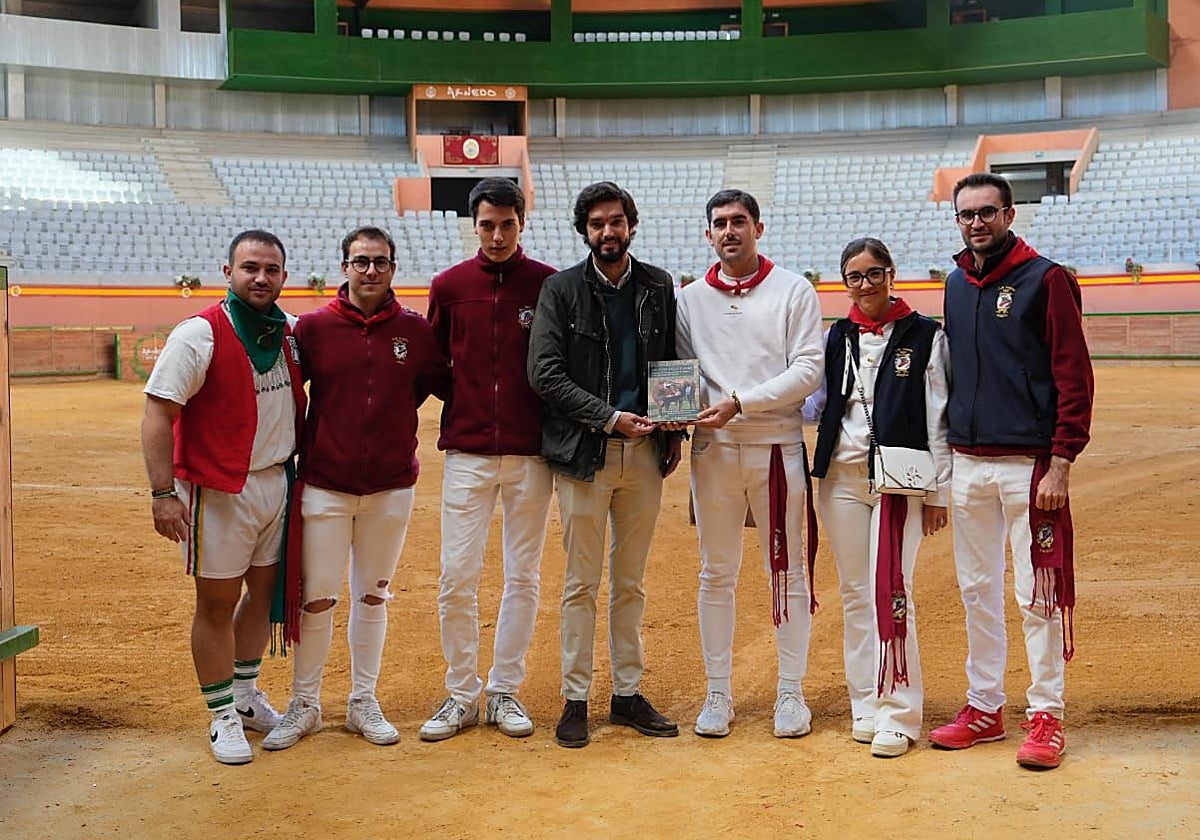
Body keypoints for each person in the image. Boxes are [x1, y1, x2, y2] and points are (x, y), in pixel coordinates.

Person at [261, 227, 448, 751]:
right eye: (361, 261)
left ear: (393, 268)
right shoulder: (314, 328)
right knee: (317, 599)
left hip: (390, 486)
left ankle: (363, 701)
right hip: (325, 484)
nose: (370, 271)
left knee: (373, 595)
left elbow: (435, 386)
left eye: (380, 262)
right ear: (344, 266)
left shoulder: (416, 330)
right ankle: (305, 703)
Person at [930, 172, 1093, 770]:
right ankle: (985, 707)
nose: (976, 223)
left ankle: (1046, 712)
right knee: (976, 590)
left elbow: (1073, 375)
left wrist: (1062, 460)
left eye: (987, 213)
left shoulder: (1047, 280)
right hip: (969, 462)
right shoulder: (954, 283)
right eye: (966, 214)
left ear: (1009, 214)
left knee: (1038, 592)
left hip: (1031, 466)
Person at [141, 230, 305, 765]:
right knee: (215, 603)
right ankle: (221, 716)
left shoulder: (290, 334)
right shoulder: (199, 334)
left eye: (272, 269)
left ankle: (244, 695)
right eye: (250, 267)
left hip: (276, 481)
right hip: (218, 488)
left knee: (263, 595)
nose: (261, 277)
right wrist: (164, 493)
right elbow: (158, 412)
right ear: (228, 272)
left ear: (284, 276)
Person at [527, 181, 682, 749]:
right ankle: (574, 698)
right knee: (580, 582)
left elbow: (671, 363)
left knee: (631, 581)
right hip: (585, 454)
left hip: (644, 453)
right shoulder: (560, 290)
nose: (608, 232)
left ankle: (626, 694)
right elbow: (544, 374)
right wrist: (609, 417)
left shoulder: (657, 285)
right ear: (584, 230)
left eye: (616, 221)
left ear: (631, 225)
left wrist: (674, 426)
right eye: (597, 224)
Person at [675, 189, 824, 740]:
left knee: (787, 572)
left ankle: (791, 691)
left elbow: (809, 369)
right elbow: (681, 371)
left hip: (778, 447)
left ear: (759, 227)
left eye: (739, 221)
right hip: (713, 451)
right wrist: (679, 413)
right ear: (708, 233)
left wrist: (742, 402)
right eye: (719, 223)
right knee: (716, 572)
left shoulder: (793, 291)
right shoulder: (689, 299)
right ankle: (718, 691)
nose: (729, 230)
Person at [419, 179, 557, 742]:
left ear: (522, 223)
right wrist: (471, 403)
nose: (497, 235)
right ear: (473, 225)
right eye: (486, 225)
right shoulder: (448, 286)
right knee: (457, 577)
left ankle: (504, 690)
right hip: (469, 452)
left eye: (507, 224)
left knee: (522, 576)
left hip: (532, 454)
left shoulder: (549, 284)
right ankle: (461, 693)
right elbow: (431, 363)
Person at [807, 237, 950, 758]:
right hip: (840, 479)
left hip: (899, 483)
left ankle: (900, 709)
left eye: (873, 274)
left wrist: (939, 491)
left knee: (892, 590)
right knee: (853, 593)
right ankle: (865, 701)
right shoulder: (837, 335)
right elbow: (818, 404)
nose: (864, 285)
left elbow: (938, 416)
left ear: (892, 275)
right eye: (854, 277)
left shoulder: (926, 335)